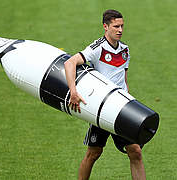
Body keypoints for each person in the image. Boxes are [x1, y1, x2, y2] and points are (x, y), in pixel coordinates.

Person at [64, 9, 146, 180]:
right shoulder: (97, 48)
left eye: (122, 26)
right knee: (94, 153)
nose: (120, 30)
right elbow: (70, 63)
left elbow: (123, 79)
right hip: (102, 108)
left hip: (121, 109)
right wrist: (73, 91)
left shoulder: (125, 50)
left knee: (135, 151)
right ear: (105, 26)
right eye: (116, 26)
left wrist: (128, 101)